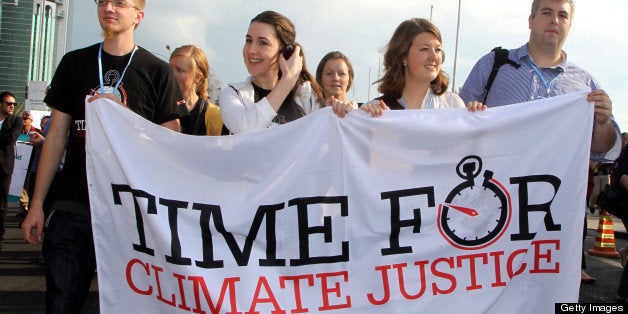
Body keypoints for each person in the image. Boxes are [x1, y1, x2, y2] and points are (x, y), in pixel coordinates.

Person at [20, 0, 187, 312]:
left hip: (132, 212)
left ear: (139, 15)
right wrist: (38, 205)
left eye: (120, 3)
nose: (109, 7)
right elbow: (56, 137)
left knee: (131, 305)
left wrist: (126, 121)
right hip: (74, 204)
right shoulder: (74, 63)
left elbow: (170, 143)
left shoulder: (158, 71)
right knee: (62, 302)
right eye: (103, 1)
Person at [460, 0, 621, 284]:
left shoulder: (584, 83)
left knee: (545, 289)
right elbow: (456, 120)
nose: (554, 21)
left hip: (555, 212)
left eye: (562, 15)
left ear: (569, 25)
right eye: (547, 13)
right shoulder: (495, 64)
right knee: (484, 282)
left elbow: (603, 151)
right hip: (493, 206)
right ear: (531, 20)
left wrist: (604, 121)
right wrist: (470, 115)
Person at [219, 10, 324, 134]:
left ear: (285, 52)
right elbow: (245, 129)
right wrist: (288, 80)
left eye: (263, 43)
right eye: (248, 41)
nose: (252, 50)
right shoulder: (232, 94)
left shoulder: (306, 95)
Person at [360, 18, 465, 117]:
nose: (433, 57)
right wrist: (345, 113)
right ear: (403, 56)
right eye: (424, 49)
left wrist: (478, 115)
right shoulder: (376, 110)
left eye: (438, 50)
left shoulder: (452, 105)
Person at [169, 45, 223, 135]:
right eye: (170, 68)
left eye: (179, 70)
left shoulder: (213, 115)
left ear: (197, 77)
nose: (172, 74)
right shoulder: (157, 105)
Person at [0, 92, 23, 252]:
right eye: (9, 103)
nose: (12, 106)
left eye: (14, 104)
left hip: (3, 168)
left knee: (1, 205)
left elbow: (10, 139)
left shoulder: (16, 120)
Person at [315, 51, 358, 118]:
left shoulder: (361, 112)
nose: (335, 78)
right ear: (320, 79)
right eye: (329, 73)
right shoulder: (308, 114)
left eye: (342, 74)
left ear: (349, 79)